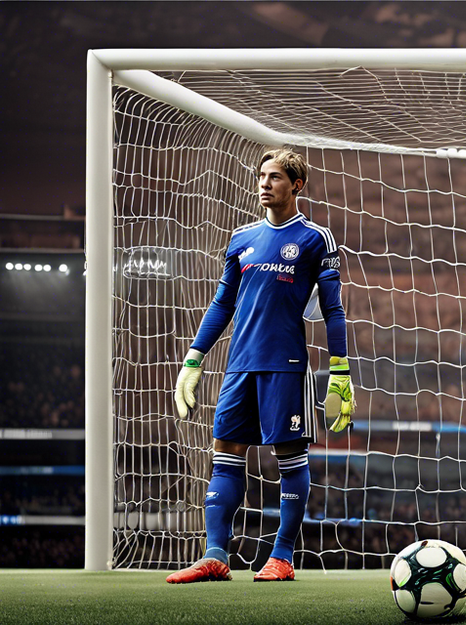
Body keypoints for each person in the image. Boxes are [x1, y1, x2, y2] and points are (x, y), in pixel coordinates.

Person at [165, 148, 356, 583]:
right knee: (225, 456)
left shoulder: (315, 239)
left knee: (290, 457)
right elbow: (222, 304)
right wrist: (194, 359)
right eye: (261, 176)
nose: (264, 183)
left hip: (285, 365)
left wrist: (340, 372)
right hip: (239, 366)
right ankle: (215, 556)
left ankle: (282, 556)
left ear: (297, 185)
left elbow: (333, 309)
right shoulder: (241, 239)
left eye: (274, 177)